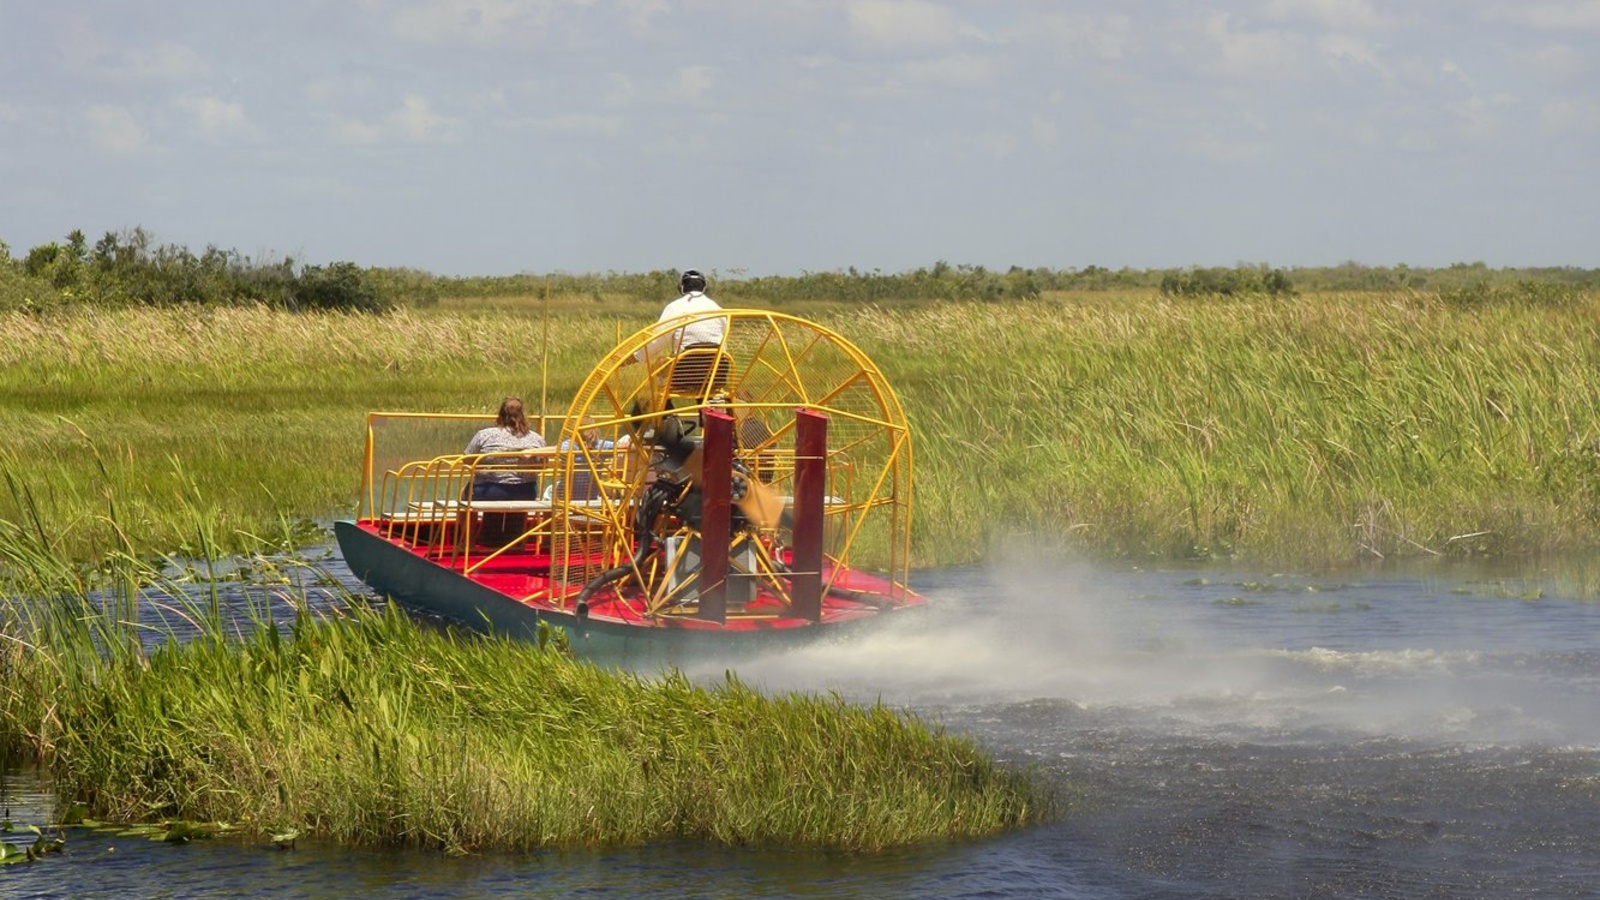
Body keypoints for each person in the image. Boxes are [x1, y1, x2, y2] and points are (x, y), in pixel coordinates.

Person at [634, 269, 725, 366]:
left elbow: (658, 339)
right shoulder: (717, 308)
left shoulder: (676, 307)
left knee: (658, 367)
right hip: (718, 367)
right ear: (703, 287)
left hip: (686, 368)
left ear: (682, 287)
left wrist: (634, 357)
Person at [464, 396, 546, 500]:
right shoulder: (536, 439)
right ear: (523, 415)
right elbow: (543, 465)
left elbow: (467, 460)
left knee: (466, 491)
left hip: (489, 490)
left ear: (500, 414)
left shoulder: (484, 435)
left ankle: (470, 516)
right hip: (526, 491)